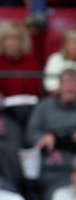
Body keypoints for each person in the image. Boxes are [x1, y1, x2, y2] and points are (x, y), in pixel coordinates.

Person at [25, 69, 76, 200]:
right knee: (55, 197)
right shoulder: (44, 106)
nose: (70, 87)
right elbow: (30, 133)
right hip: (52, 166)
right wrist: (43, 137)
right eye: (66, 83)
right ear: (59, 86)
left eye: (74, 83)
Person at [0, 21, 41, 150]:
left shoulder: (32, 63)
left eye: (15, 39)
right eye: (8, 39)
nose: (11, 43)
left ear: (22, 42)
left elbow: (34, 91)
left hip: (27, 109)